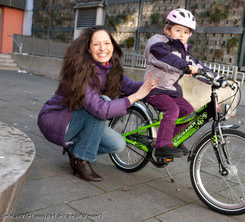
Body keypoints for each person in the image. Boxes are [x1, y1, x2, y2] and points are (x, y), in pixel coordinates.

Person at [37, 25, 158, 182]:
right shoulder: (79, 72)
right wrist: (135, 97)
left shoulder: (109, 68)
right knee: (104, 103)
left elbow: (130, 87)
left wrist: (153, 86)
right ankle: (81, 159)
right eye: (96, 44)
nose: (103, 48)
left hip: (79, 119)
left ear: (112, 46)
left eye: (107, 43)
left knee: (118, 144)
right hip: (57, 120)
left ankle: (75, 150)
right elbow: (101, 110)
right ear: (88, 49)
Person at [143, 8, 209, 158]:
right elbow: (166, 58)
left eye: (186, 32)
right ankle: (162, 146)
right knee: (172, 110)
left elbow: (197, 66)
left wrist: (217, 78)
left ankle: (172, 140)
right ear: (167, 29)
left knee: (189, 112)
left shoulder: (183, 51)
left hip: (171, 91)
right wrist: (184, 66)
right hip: (154, 89)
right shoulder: (158, 43)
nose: (182, 35)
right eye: (178, 30)